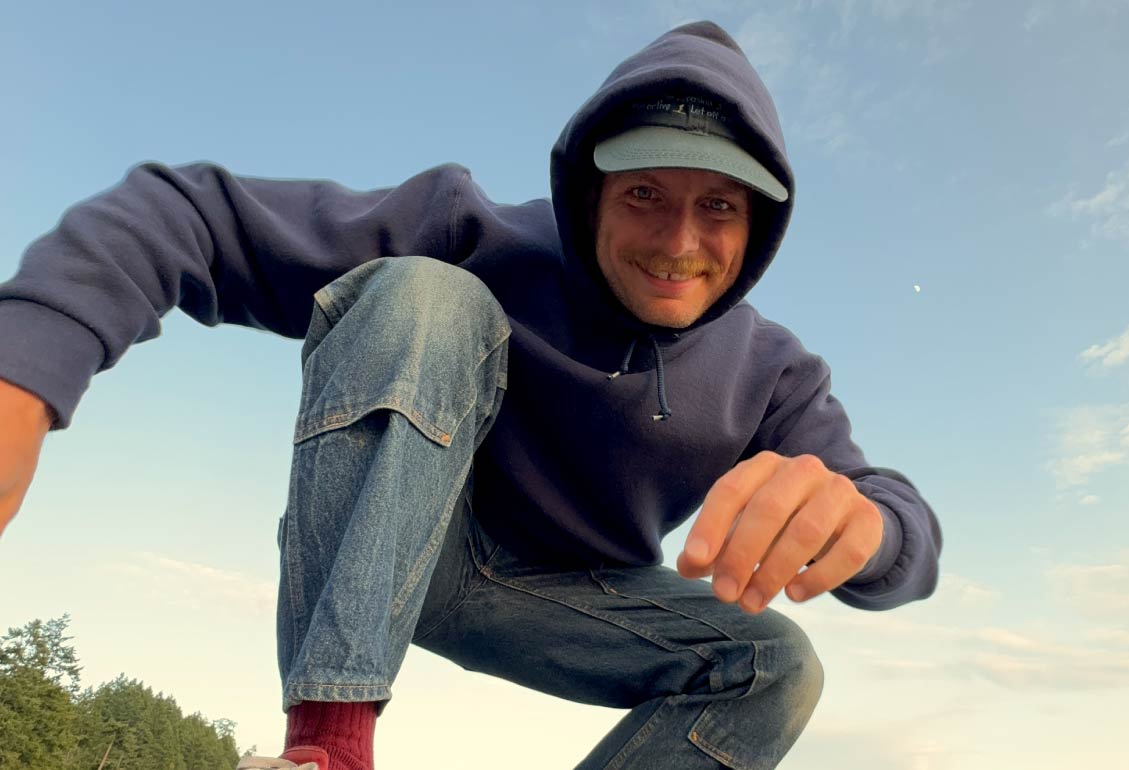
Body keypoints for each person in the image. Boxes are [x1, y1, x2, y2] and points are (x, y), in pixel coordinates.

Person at [0, 21, 941, 770]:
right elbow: (187, 214)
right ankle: (328, 748)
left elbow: (902, 523)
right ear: (591, 195)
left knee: (777, 663)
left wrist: (867, 528)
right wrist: (25, 371)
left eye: (719, 207)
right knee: (428, 294)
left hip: (568, 603)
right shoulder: (473, 229)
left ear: (758, 227)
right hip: (394, 533)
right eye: (645, 194)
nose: (679, 242)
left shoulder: (773, 371)